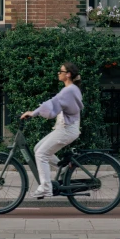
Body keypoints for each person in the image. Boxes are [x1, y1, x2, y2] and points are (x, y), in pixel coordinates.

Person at [20, 61, 83, 199]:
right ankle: (65, 169)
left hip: (67, 130)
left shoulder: (69, 90)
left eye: (60, 71)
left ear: (68, 74)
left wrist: (33, 112)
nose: (58, 73)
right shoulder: (70, 89)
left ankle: (46, 188)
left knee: (41, 154)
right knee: (38, 149)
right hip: (64, 128)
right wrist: (35, 112)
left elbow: (53, 102)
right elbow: (56, 102)